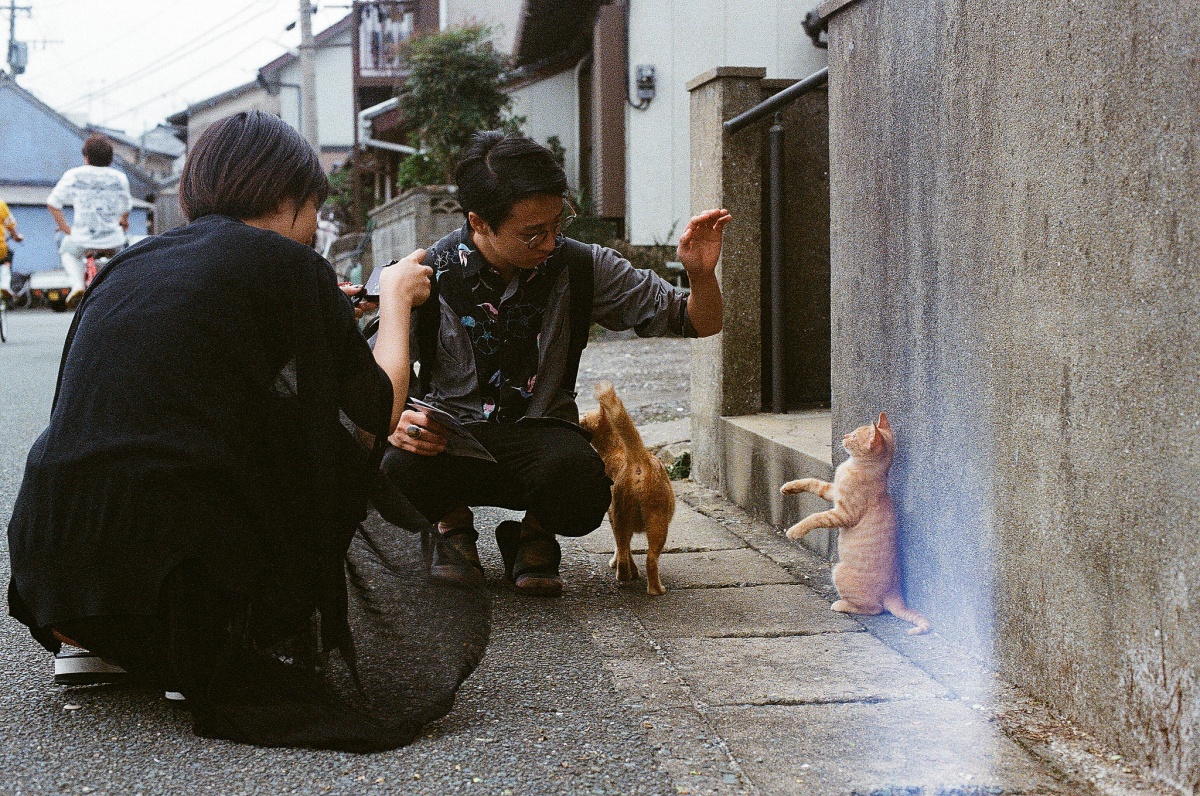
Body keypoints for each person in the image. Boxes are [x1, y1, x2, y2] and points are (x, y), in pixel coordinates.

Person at [7, 111, 431, 718]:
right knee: (339, 440)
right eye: (313, 208)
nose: (314, 229)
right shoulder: (292, 267)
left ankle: (99, 648)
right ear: (288, 198)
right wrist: (393, 298)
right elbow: (380, 409)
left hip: (57, 584)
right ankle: (210, 642)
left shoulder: (132, 263)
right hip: (181, 592)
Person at [375, 131, 730, 597]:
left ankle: (534, 534)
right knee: (393, 469)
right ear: (479, 222)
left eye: (557, 224)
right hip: (451, 440)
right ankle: (452, 526)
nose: (549, 241)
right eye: (532, 233)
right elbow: (371, 385)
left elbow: (696, 322)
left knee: (584, 484)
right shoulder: (421, 274)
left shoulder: (581, 265)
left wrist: (701, 275)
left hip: (541, 441)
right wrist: (395, 421)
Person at [46, 134, 134, 308]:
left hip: (82, 239)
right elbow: (126, 207)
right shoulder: (119, 177)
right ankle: (122, 287)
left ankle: (77, 284)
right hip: (112, 241)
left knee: (66, 249)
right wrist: (123, 220)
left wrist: (66, 229)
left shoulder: (74, 175)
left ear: (86, 157)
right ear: (110, 159)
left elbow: (53, 203)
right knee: (124, 255)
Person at [0, 197, 24, 301]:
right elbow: (10, 224)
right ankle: (4, 285)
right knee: (6, 258)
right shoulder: (1, 204)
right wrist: (16, 236)